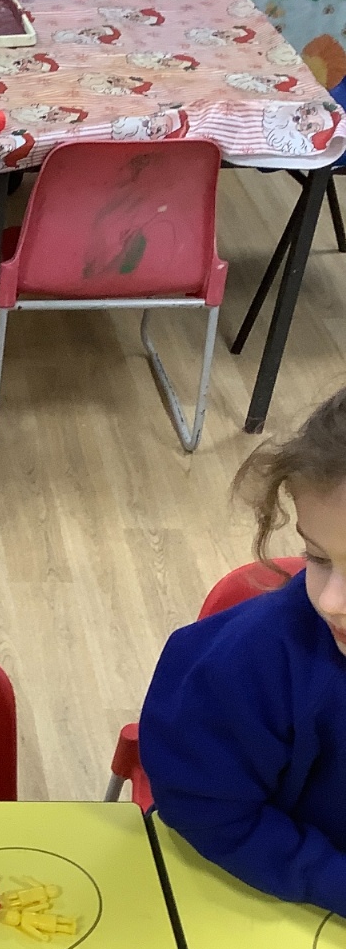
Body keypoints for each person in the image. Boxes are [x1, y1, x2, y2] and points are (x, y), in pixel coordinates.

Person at [139, 387, 346, 914]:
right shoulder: (247, 661)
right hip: (276, 908)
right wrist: (328, 879)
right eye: (317, 557)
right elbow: (205, 808)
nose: (331, 601)